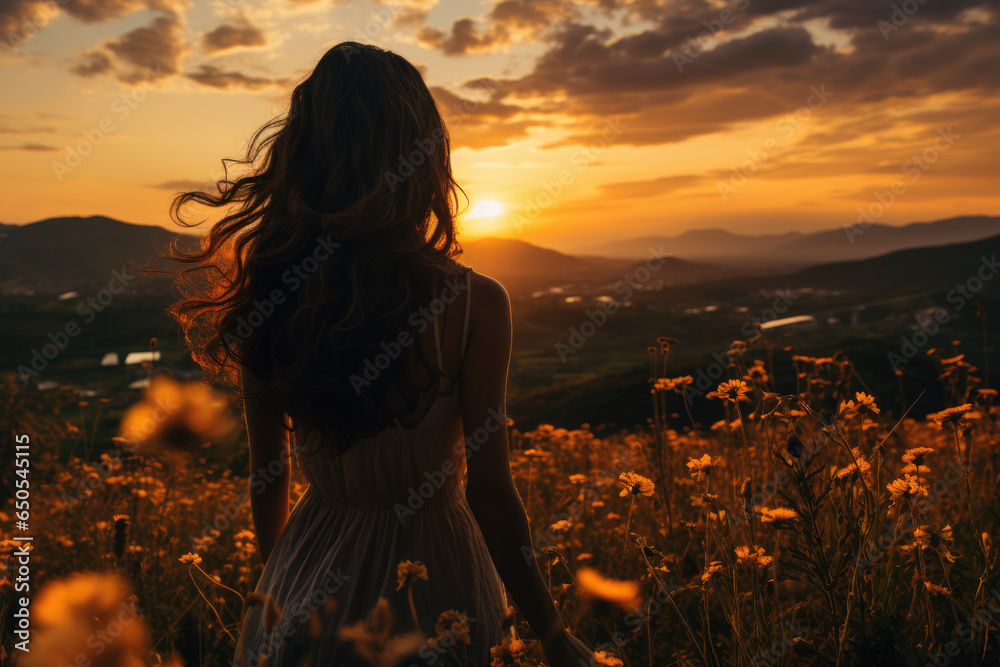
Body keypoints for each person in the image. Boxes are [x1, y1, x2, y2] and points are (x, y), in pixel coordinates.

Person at [163, 41, 595, 666]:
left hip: (305, 571)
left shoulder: (275, 289)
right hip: (437, 579)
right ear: (420, 158)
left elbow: (269, 475)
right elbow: (491, 492)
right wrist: (554, 638)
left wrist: (285, 588)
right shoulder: (475, 303)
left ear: (303, 157)